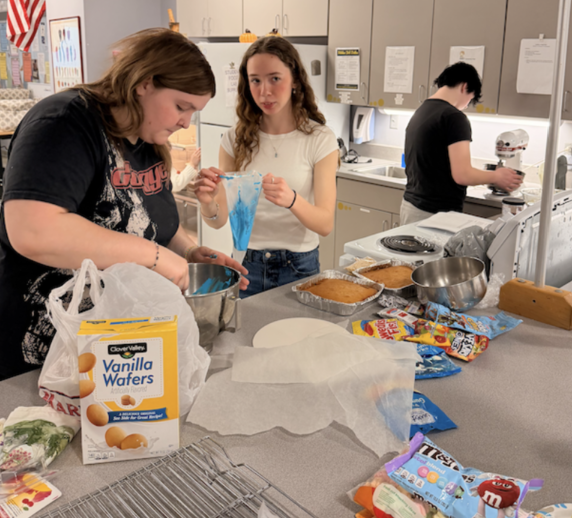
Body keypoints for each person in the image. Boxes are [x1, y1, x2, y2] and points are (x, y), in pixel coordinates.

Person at [0, 28, 247, 381]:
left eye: (193, 112)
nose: (185, 122)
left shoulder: (145, 138)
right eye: (181, 106)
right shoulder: (63, 122)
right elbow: (33, 230)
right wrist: (158, 259)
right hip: (44, 350)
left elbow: (151, 222)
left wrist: (191, 254)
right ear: (144, 83)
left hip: (116, 348)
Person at [195, 36, 338, 297]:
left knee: (297, 338)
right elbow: (219, 221)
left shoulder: (320, 139)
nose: (265, 92)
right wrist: (207, 202)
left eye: (275, 78)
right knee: (243, 338)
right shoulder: (233, 139)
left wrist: (292, 199)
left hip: (299, 267)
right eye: (255, 80)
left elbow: (325, 224)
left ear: (294, 80)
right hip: (245, 264)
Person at [401, 62, 521, 225]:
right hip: (435, 215)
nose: (465, 106)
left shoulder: (422, 110)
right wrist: (496, 176)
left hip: (411, 208)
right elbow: (462, 175)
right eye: (470, 99)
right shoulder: (453, 117)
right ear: (465, 87)